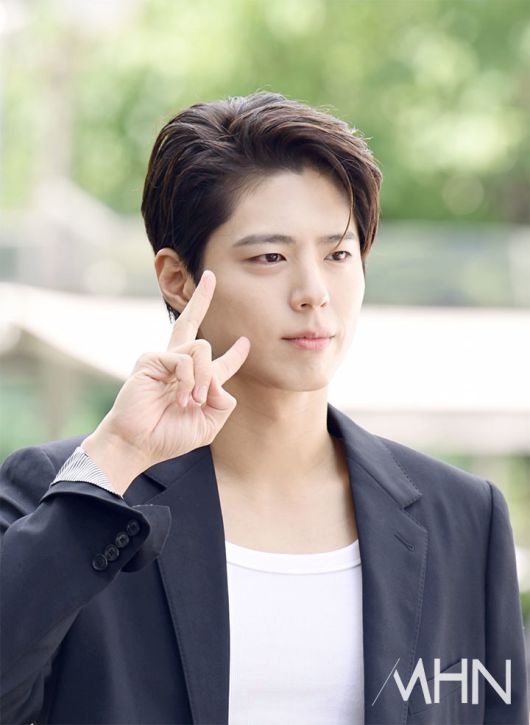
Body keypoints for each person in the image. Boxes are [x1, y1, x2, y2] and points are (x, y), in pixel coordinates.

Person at [0, 91, 527, 725]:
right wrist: (118, 455)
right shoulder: (68, 496)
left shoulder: (463, 517)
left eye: (338, 254)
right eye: (269, 257)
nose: (313, 293)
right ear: (177, 279)